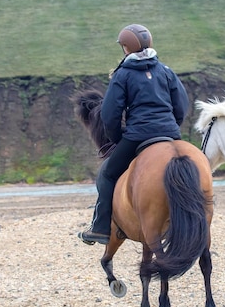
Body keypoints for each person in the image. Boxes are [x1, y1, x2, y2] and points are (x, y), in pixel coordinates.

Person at [78, 24, 189, 245]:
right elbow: (182, 106)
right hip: (170, 134)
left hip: (138, 135)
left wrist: (118, 138)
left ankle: (100, 228)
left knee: (107, 174)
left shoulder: (123, 74)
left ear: (126, 48)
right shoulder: (166, 71)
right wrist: (171, 127)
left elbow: (110, 114)